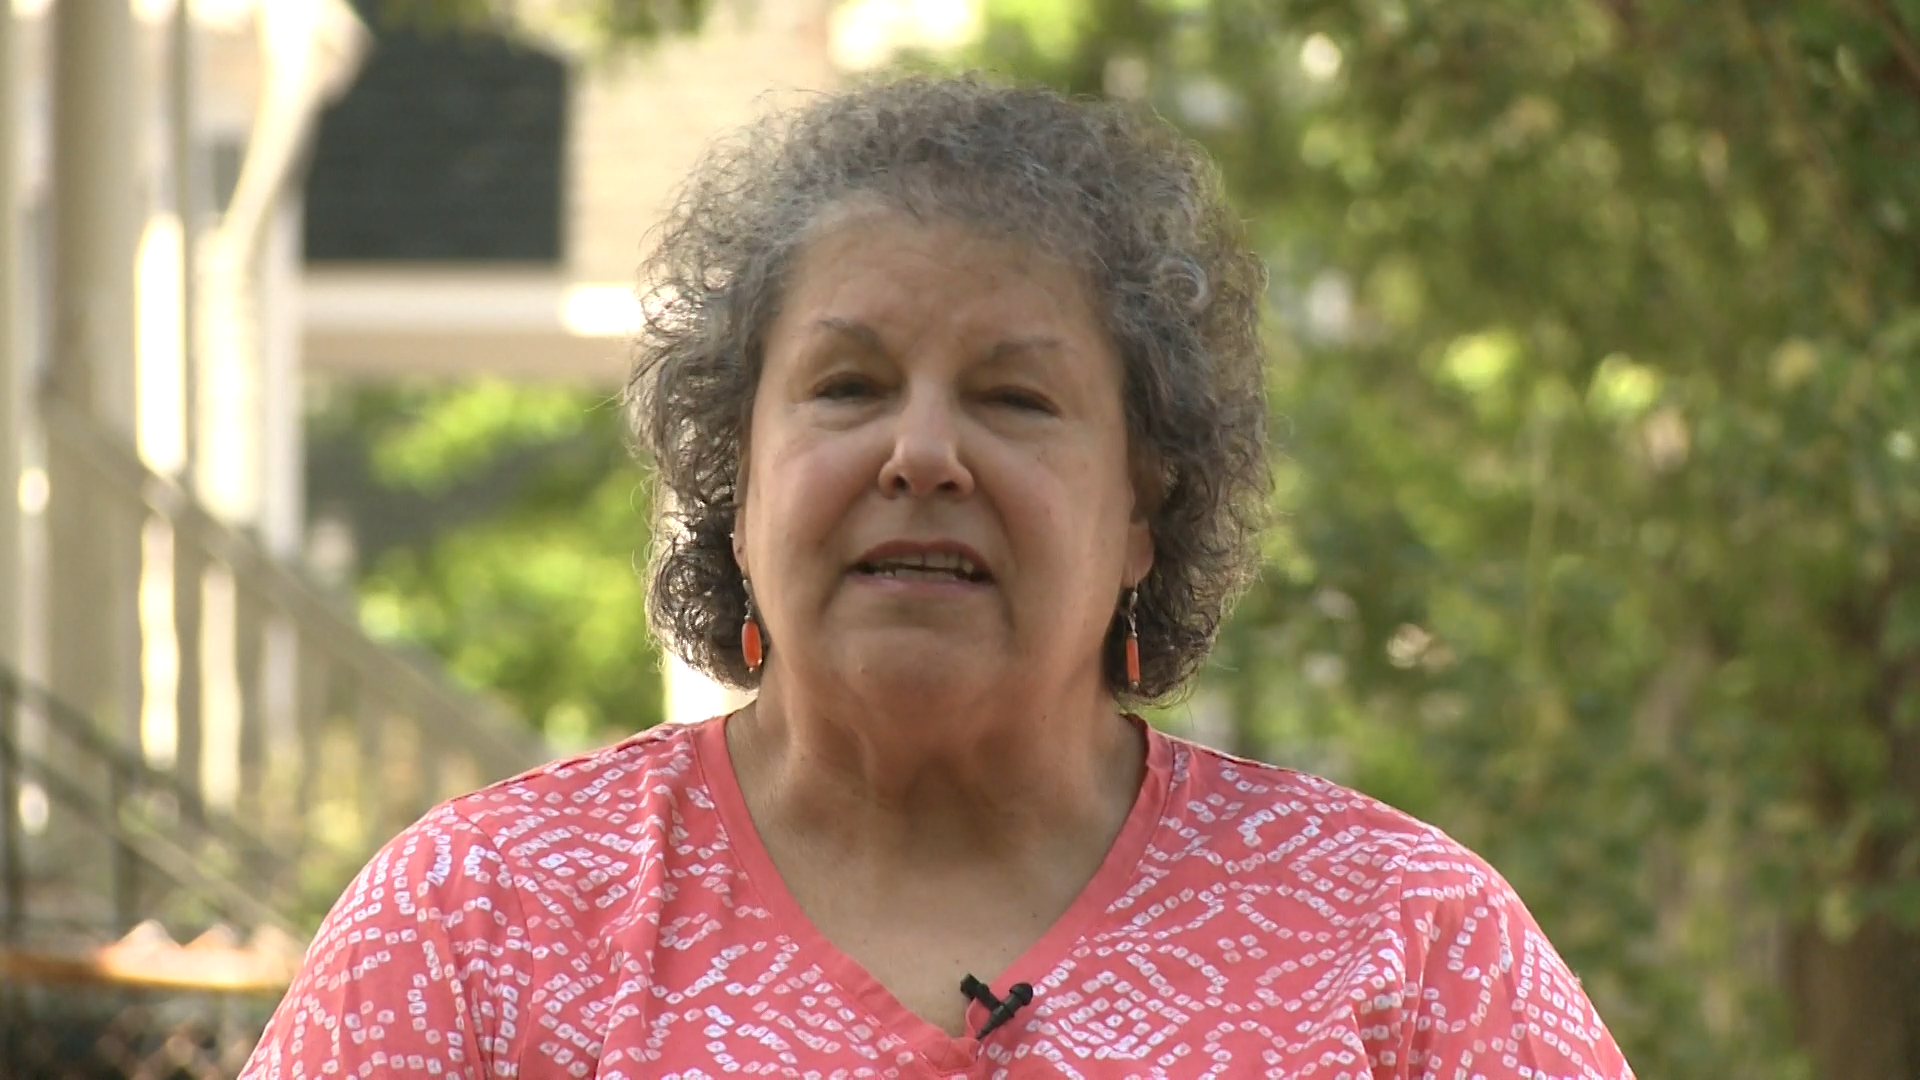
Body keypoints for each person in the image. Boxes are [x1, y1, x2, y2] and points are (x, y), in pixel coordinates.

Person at [242, 76, 1634, 1079]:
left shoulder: (1402, 943)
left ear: (1144, 507)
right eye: (848, 386)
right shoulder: (477, 926)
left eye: (1015, 398)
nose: (921, 455)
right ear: (738, 486)